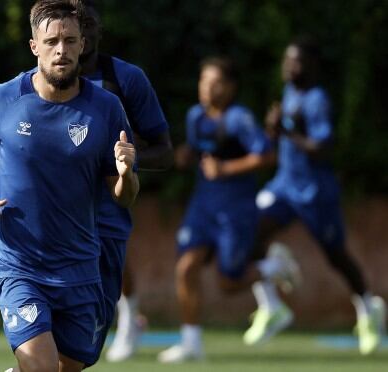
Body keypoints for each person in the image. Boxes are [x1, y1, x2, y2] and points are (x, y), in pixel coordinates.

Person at [0, 1, 139, 370]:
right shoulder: (4, 98)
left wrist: (127, 173)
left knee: (67, 365)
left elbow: (124, 196)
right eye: (51, 41)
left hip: (80, 267)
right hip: (19, 265)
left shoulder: (107, 108)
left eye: (69, 40)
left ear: (83, 44)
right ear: (34, 46)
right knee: (42, 367)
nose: (61, 50)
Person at [157, 57, 300, 363]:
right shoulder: (196, 116)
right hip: (203, 207)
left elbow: (265, 156)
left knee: (228, 282)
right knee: (186, 268)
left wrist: (226, 168)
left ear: (231, 87)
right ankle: (191, 342)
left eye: (216, 82)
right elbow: (197, 152)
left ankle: (272, 266)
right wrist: (182, 157)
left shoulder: (239, 119)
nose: (207, 87)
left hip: (235, 210)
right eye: (203, 81)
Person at [248, 38, 386, 355]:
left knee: (336, 255)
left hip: (314, 193)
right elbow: (283, 135)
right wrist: (273, 129)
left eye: (296, 62)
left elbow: (322, 148)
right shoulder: (290, 92)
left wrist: (286, 132)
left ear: (311, 66)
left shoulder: (317, 99)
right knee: (248, 233)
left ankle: (368, 308)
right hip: (284, 186)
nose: (288, 67)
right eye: (286, 61)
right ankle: (271, 306)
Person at [77, 1, 173, 362]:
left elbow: (163, 152)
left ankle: (130, 319)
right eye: (71, 26)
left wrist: (118, 164)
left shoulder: (125, 78)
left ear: (99, 30)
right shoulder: (34, 82)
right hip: (54, 213)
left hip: (108, 210)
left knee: (86, 343)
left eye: (87, 25)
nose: (78, 35)